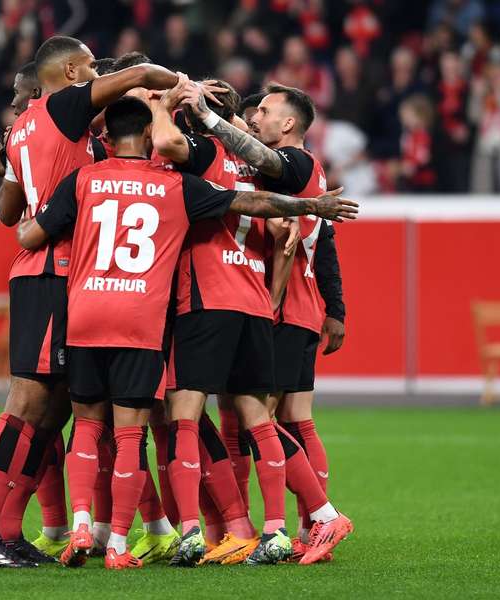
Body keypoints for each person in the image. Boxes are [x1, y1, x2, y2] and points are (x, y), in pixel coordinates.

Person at [16, 95, 358, 569]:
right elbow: (269, 217)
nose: (256, 119)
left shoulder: (172, 166)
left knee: (164, 418)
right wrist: (312, 214)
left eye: (264, 112)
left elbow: (30, 233)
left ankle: (187, 530)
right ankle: (278, 527)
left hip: (173, 305)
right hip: (254, 303)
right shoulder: (246, 173)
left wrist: (168, 103)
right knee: (260, 418)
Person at [0, 36, 192, 568]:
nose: (94, 74)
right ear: (70, 71)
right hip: (52, 271)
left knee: (57, 407)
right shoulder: (64, 106)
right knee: (27, 403)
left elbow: (6, 207)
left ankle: (8, 530)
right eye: (90, 67)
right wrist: (180, 87)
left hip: (61, 276)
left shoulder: (25, 128)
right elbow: (142, 73)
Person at [180, 83, 354, 564]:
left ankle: (312, 519)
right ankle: (296, 526)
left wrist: (211, 119)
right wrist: (335, 308)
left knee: (261, 417)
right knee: (285, 418)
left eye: (265, 110)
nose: (257, 115)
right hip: (296, 306)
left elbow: (261, 160)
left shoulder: (295, 163)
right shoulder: (300, 169)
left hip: (281, 305)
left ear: (289, 124)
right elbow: (328, 245)